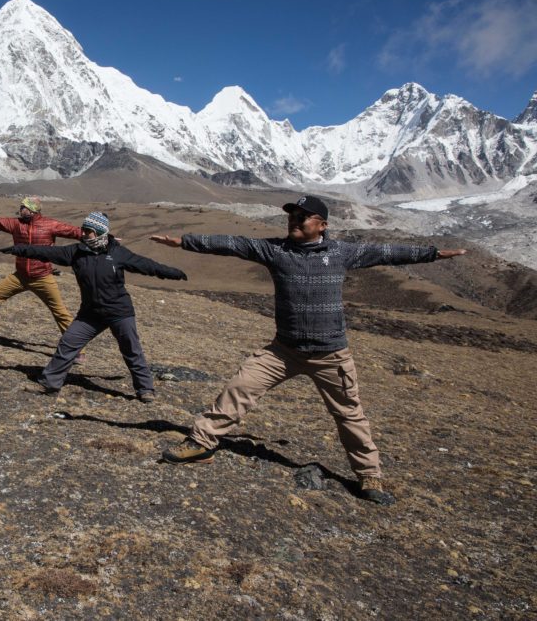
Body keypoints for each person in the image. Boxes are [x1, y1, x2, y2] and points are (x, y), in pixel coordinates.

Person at [150, 193, 467, 506]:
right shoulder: (275, 250)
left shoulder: (342, 252)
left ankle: (369, 475)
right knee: (240, 386)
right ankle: (201, 442)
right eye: (291, 216)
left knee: (349, 415)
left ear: (322, 225)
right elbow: (233, 244)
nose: (294, 221)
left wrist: (433, 254)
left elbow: (387, 252)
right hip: (283, 351)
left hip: (331, 356)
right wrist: (184, 242)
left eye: (302, 217)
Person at [1, 211, 187, 402]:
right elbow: (47, 252)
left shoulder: (118, 253)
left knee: (131, 350)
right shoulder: (76, 252)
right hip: (90, 313)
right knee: (68, 343)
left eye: (88, 231)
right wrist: (20, 249)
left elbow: (146, 265)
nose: (83, 234)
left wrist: (172, 273)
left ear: (99, 233)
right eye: (83, 230)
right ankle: (49, 384)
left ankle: (145, 390)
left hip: (119, 312)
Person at [0, 197, 82, 347]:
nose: (21, 209)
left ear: (32, 209)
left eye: (24, 207)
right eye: (21, 207)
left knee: (60, 312)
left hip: (42, 277)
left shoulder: (50, 225)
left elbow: (75, 232)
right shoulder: (16, 224)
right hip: (20, 276)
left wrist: (105, 238)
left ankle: (76, 350)